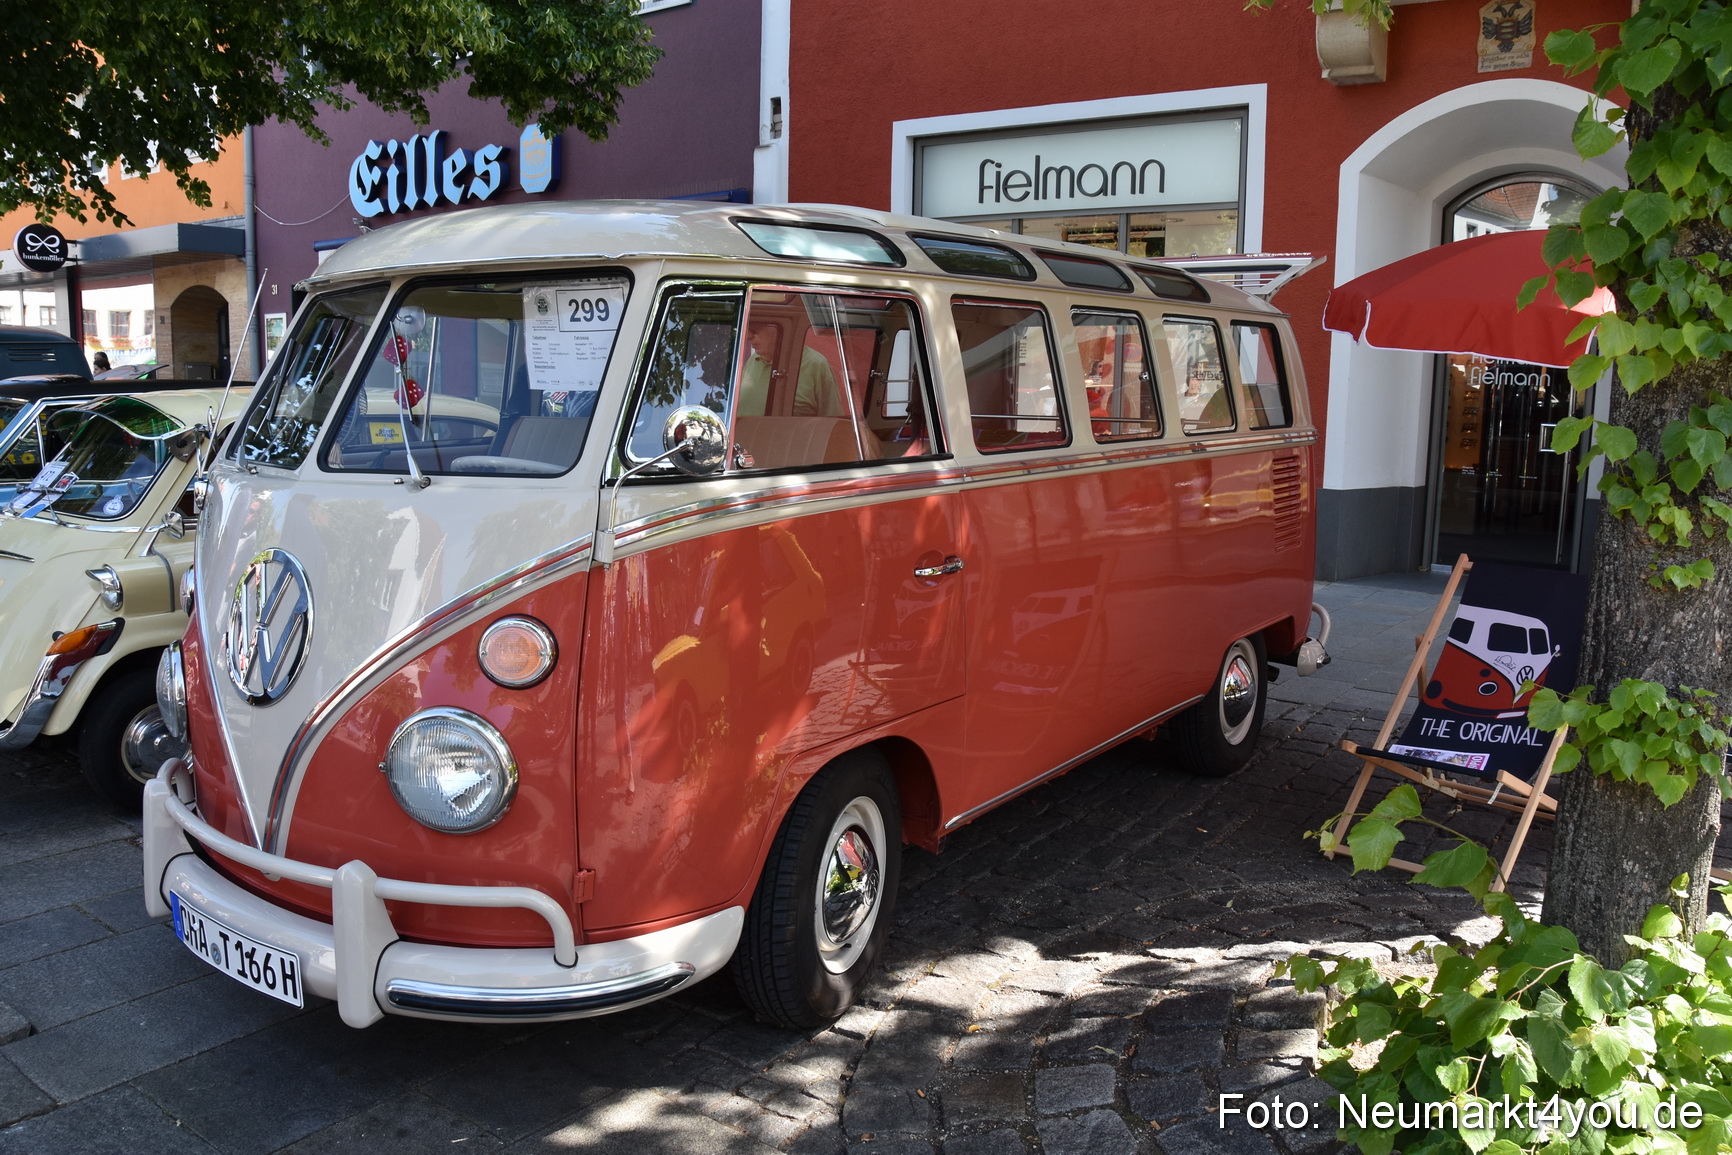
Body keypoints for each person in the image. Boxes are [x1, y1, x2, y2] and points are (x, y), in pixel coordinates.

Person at [735, 321, 841, 417]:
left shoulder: (816, 364)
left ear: (780, 329)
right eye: (747, 328)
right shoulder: (753, 360)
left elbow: (832, 419)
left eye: (755, 329)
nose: (748, 335)